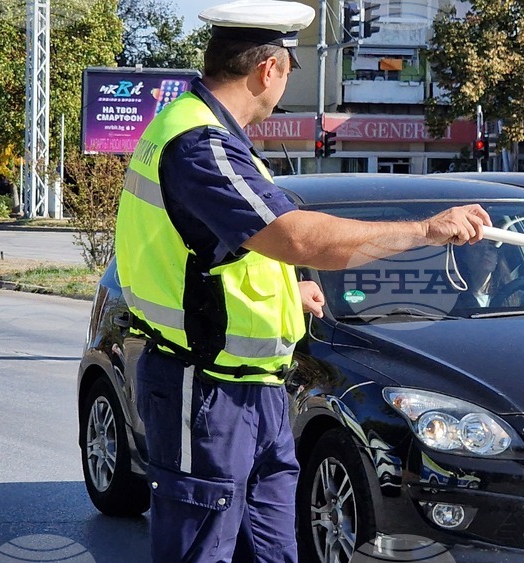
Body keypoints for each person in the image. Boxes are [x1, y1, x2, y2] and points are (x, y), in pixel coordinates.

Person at [112, 2, 491, 562]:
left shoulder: (210, 134)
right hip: (207, 390)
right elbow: (294, 238)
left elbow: (224, 251)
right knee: (202, 551)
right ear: (269, 69)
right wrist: (426, 230)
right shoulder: (200, 144)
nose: (286, 81)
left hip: (253, 388)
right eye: (289, 68)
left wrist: (290, 291)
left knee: (273, 552)